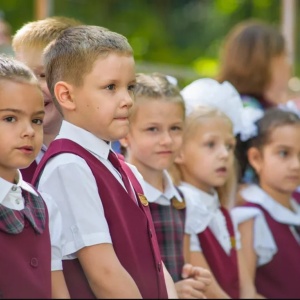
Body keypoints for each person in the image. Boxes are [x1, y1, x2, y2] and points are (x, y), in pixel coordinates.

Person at [31, 25, 177, 298]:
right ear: (67, 95)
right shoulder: (69, 167)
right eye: (111, 87)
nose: (127, 100)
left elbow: (156, 264)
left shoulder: (124, 167)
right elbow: (105, 276)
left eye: (130, 87)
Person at [119, 72, 212, 299]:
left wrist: (190, 278)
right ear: (124, 134)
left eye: (175, 128)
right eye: (153, 129)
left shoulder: (181, 200)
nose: (167, 140)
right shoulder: (121, 195)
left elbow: (181, 262)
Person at [172, 78, 261, 298]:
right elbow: (208, 289)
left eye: (229, 146)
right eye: (211, 144)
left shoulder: (220, 211)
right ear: (179, 151)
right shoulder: (184, 206)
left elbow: (246, 288)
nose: (224, 154)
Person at [0, 54, 69, 298]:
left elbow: (57, 289)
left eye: (36, 120)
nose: (29, 131)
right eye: (10, 118)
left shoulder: (44, 205)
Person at [232, 107, 300, 298]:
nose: (296, 165)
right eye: (283, 153)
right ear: (256, 158)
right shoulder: (250, 216)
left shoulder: (297, 200)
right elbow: (245, 291)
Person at [12, 16, 82, 182]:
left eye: (43, 75)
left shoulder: (94, 156)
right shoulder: (9, 161)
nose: (32, 85)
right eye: (23, 73)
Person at [216, 19, 291, 110]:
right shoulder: (253, 113)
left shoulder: (222, 102)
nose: (288, 65)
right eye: (283, 57)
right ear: (264, 64)